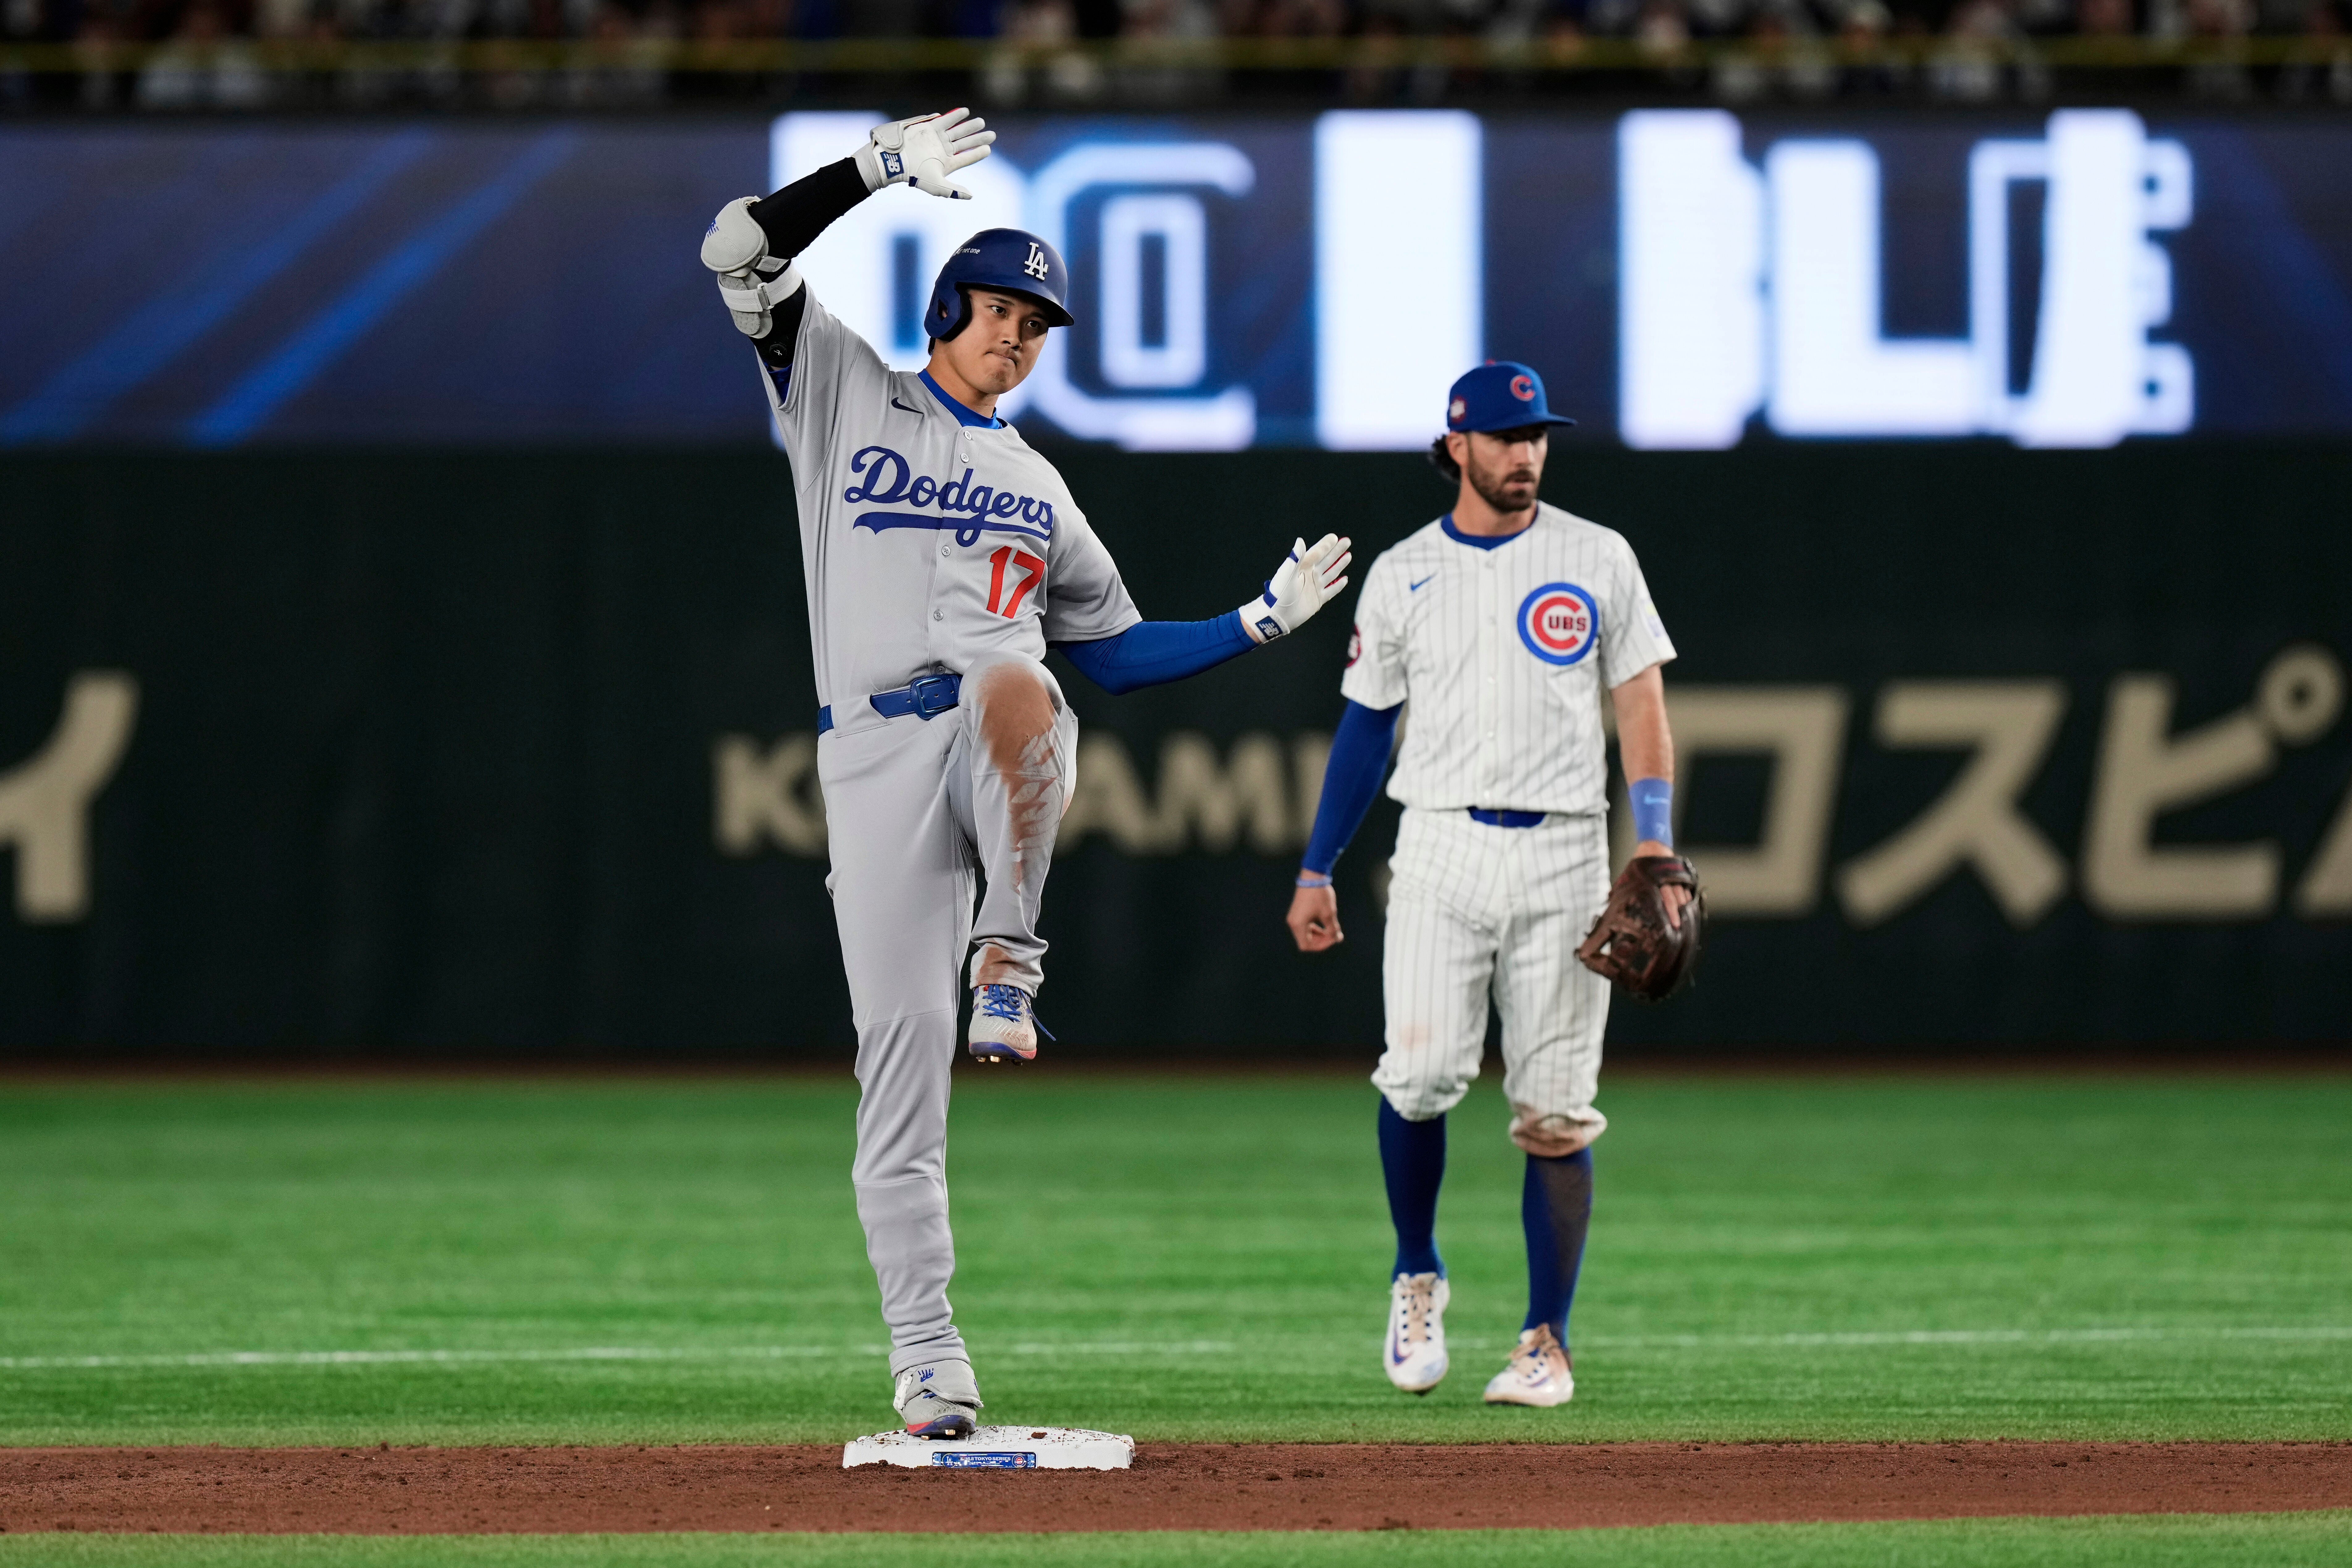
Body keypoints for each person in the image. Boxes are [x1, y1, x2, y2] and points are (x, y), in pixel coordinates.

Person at [701, 108, 1351, 1438]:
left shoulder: (1038, 484)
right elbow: (734, 249)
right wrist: (875, 169)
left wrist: (1255, 623)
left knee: (1022, 682)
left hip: (992, 735)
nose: (1016, 334)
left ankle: (1011, 958)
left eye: (1037, 323)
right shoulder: (841, 388)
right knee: (898, 1066)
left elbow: (1107, 654)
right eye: (999, 307)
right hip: (871, 753)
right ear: (949, 304)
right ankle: (928, 1359)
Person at [1285, 360, 1686, 1408]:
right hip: (1441, 847)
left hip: (1566, 850)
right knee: (1415, 1081)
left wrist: (1652, 842)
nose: (1527, 455)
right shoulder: (1404, 570)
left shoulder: (1596, 556)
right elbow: (1367, 729)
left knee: (1556, 1114)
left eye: (1538, 436)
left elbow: (1641, 705)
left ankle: (1544, 1340)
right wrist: (1318, 864)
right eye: (1507, 438)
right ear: (1457, 446)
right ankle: (1417, 1272)